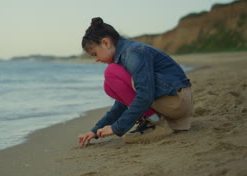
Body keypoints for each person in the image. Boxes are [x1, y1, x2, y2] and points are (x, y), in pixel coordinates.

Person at [78, 17, 194, 146]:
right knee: (109, 85)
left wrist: (117, 127)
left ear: (106, 43)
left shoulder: (133, 53)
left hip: (177, 100)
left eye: (95, 54)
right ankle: (154, 120)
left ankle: (156, 123)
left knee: (111, 73)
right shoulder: (126, 54)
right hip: (173, 99)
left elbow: (145, 95)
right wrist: (95, 130)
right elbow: (123, 103)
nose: (96, 59)